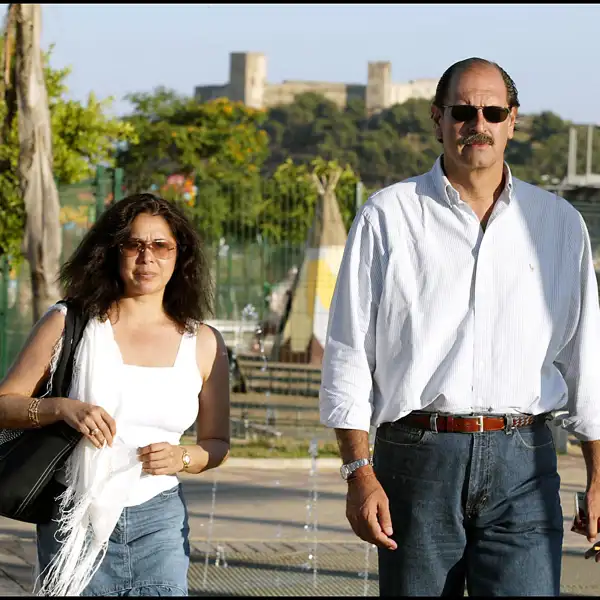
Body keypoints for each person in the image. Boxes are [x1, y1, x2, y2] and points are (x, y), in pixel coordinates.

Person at [319, 57, 600, 596]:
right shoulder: (389, 216)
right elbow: (350, 351)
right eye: (463, 111)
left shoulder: (558, 224)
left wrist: (599, 471)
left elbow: (584, 356)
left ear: (512, 120)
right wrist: (358, 470)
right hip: (417, 456)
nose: (479, 124)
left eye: (493, 111)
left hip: (525, 458)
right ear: (438, 118)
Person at [0, 193, 231, 596]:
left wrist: (183, 457)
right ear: (112, 252)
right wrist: (60, 408)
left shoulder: (204, 342)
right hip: (75, 513)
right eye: (133, 244)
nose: (147, 257)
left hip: (160, 519)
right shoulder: (68, 322)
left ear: (180, 256)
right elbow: (5, 405)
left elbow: (217, 443)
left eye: (161, 246)